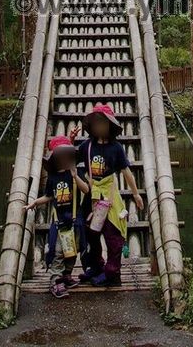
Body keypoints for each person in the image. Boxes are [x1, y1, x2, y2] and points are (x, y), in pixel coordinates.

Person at [70, 102, 144, 287]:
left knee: (113, 233)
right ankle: (96, 266)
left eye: (102, 123)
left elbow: (126, 171)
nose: (99, 127)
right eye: (95, 124)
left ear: (110, 125)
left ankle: (112, 272)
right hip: (91, 195)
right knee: (90, 233)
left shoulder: (116, 148)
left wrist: (135, 194)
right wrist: (71, 142)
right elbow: (71, 159)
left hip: (109, 195)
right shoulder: (86, 146)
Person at [25, 135, 90, 298]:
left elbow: (86, 190)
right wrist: (34, 203)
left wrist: (75, 176)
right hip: (59, 221)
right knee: (59, 251)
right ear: (54, 158)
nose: (64, 159)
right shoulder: (52, 178)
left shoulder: (75, 173)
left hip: (75, 220)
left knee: (72, 250)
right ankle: (56, 281)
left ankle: (66, 274)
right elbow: (49, 196)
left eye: (66, 155)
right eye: (60, 156)